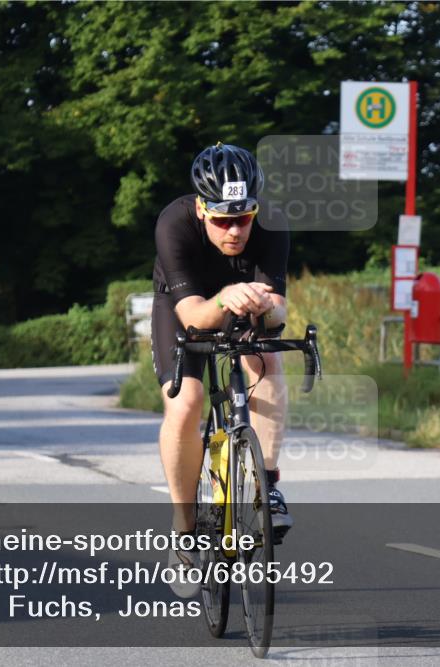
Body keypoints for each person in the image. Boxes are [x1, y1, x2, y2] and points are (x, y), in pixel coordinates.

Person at [152, 143, 290, 597]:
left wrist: (266, 305)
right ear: (201, 209)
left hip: (243, 301)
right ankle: (183, 528)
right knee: (186, 401)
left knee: (267, 359)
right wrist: (226, 297)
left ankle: (266, 485)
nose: (234, 231)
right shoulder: (174, 223)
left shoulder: (271, 223)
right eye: (222, 220)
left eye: (244, 218)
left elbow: (279, 312)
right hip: (185, 304)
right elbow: (193, 315)